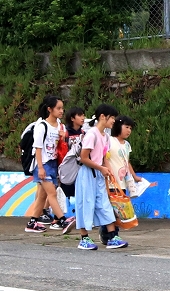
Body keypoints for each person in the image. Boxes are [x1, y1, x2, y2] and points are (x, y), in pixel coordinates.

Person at [75, 104, 127, 250]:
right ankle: (84, 238)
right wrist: (101, 168)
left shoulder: (106, 137)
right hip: (87, 173)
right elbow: (83, 158)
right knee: (85, 203)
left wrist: (107, 172)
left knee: (104, 203)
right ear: (103, 117)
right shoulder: (92, 134)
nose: (114, 121)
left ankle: (112, 236)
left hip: (98, 174)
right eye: (112, 118)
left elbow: (104, 157)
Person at [24, 96, 72, 233]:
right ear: (49, 109)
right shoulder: (42, 126)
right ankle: (62, 220)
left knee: (42, 196)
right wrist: (40, 168)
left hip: (53, 164)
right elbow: (38, 148)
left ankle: (32, 223)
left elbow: (61, 146)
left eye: (62, 108)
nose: (61, 111)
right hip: (43, 163)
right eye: (58, 108)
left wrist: (63, 137)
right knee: (52, 193)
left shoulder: (59, 125)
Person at [107, 116, 144, 196]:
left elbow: (127, 162)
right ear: (118, 126)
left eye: (130, 128)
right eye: (126, 127)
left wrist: (135, 177)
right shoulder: (109, 140)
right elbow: (104, 158)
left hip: (122, 184)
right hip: (110, 183)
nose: (129, 130)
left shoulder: (127, 145)